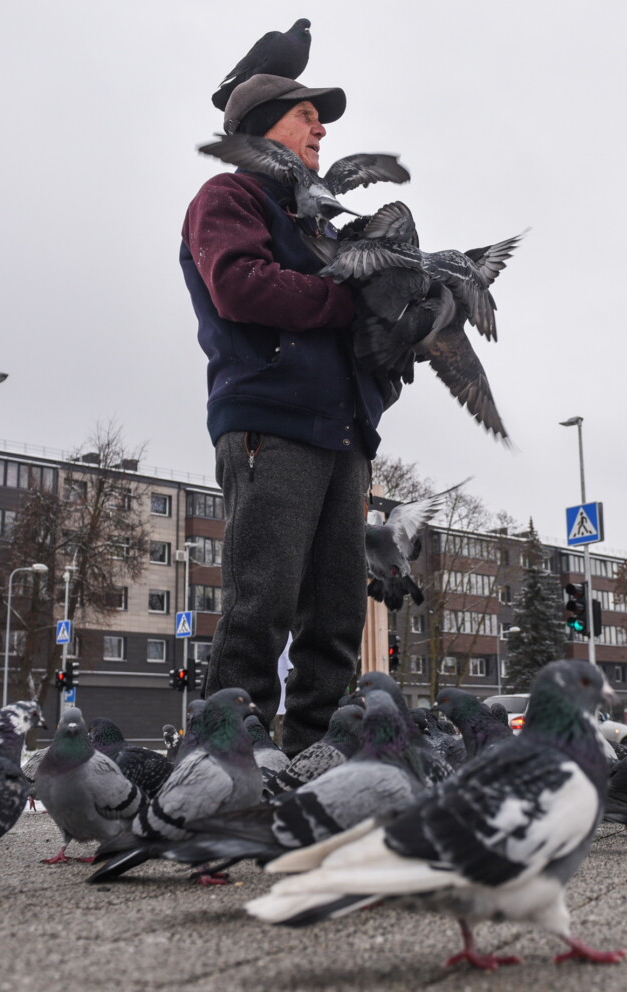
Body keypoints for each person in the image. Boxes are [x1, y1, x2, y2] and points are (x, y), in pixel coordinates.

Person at [179, 73, 385, 756]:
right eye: (305, 115)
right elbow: (240, 286)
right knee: (260, 606)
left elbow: (356, 331)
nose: (321, 129)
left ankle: (314, 765)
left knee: (337, 618)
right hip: (271, 422)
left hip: (344, 432)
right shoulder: (228, 196)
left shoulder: (319, 220)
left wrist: (394, 336)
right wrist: (349, 301)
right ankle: (221, 770)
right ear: (260, 128)